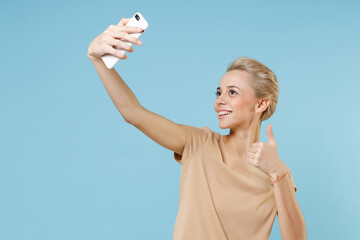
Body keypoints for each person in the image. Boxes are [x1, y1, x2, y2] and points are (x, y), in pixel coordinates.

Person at [87, 18, 307, 240]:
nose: (220, 100)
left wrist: (277, 172)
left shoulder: (277, 173)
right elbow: (133, 113)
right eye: (218, 92)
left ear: (261, 104)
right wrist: (97, 60)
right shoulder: (198, 143)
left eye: (232, 92)